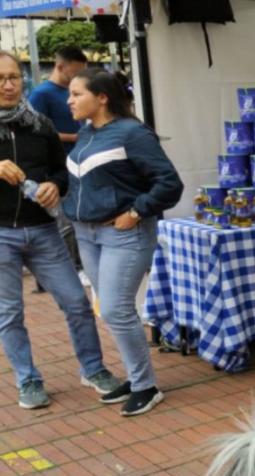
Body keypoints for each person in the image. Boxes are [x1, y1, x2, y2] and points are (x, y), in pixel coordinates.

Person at [0, 49, 121, 409]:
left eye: (15, 77)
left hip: (43, 228)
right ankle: (27, 380)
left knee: (77, 303)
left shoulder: (37, 122)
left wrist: (54, 186)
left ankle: (94, 369)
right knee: (9, 313)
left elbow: (62, 171)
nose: (10, 85)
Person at [64, 68, 183, 416]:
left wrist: (136, 211)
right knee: (113, 311)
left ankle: (146, 386)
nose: (69, 100)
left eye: (76, 94)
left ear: (102, 97)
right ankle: (136, 377)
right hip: (87, 233)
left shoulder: (132, 133)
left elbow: (169, 183)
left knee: (116, 309)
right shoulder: (86, 133)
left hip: (123, 233)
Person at [29, 45, 90, 291]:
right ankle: (67, 271)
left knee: (73, 220)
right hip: (58, 167)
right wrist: (72, 138)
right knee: (63, 223)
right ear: (60, 66)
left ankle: (71, 268)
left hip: (76, 164)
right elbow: (36, 130)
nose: (75, 80)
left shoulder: (69, 92)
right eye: (73, 73)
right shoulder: (41, 94)